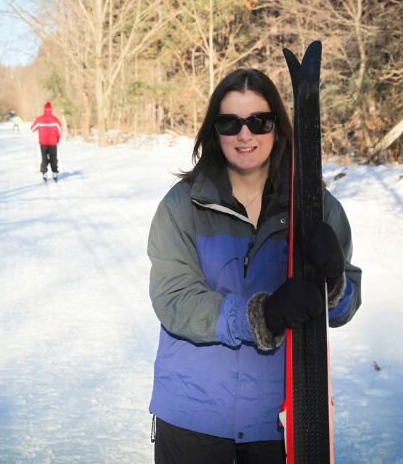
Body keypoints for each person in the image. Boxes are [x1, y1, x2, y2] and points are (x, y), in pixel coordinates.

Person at [146, 68, 362, 463]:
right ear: (214, 131)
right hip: (194, 416)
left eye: (259, 122)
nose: (245, 135)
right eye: (230, 123)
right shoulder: (182, 206)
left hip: (279, 419)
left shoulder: (315, 206)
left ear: (277, 128)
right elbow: (174, 301)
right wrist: (261, 315)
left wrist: (332, 280)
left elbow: (343, 309)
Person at [30, 101, 63, 180]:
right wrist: (57, 139)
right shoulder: (55, 120)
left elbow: (32, 129)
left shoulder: (39, 119)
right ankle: (54, 172)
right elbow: (60, 131)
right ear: (51, 109)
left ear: (44, 109)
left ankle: (44, 173)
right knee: (53, 158)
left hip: (43, 143)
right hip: (53, 143)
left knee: (44, 158)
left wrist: (39, 128)